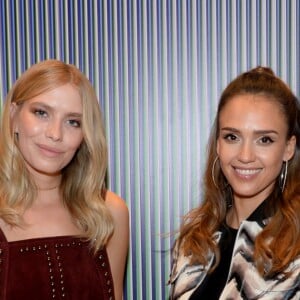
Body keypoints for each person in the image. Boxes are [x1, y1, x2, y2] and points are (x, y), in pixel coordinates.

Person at [0, 60, 129, 300]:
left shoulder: (109, 212)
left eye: (73, 122)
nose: (55, 134)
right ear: (13, 116)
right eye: (41, 113)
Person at [169, 67, 300, 299]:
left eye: (264, 139)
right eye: (232, 137)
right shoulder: (193, 243)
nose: (245, 155)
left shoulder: (296, 248)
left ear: (288, 148)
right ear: (218, 143)